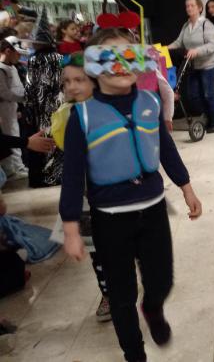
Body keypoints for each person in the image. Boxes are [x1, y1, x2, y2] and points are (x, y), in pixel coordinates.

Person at [60, 28, 203, 362]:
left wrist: (186, 187)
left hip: (153, 209)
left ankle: (152, 307)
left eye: (129, 55)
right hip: (110, 219)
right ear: (93, 67)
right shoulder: (81, 116)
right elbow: (72, 176)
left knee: (162, 279)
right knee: (121, 294)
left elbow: (166, 150)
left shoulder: (150, 102)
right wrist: (70, 228)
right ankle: (134, 354)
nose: (121, 65)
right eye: (109, 58)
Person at [51, 51, 112, 322]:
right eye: (67, 81)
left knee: (125, 243)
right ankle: (107, 293)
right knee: (95, 248)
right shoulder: (68, 113)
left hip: (113, 191)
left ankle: (131, 279)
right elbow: (69, 161)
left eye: (79, 80)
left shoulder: (109, 109)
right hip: (85, 193)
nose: (72, 87)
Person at [168, 0, 214, 134]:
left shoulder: (206, 25)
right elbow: (178, 42)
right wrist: (164, 48)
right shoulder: (186, 26)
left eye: (192, 5)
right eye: (187, 6)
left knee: (208, 94)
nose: (189, 8)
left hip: (209, 63)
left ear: (199, 8)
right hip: (194, 65)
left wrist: (196, 51)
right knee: (193, 96)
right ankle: (208, 117)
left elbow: (212, 46)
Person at [24, 12, 64, 188]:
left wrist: (28, 106)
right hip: (59, 103)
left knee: (43, 136)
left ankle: (45, 176)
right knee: (58, 136)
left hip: (41, 106)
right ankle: (58, 174)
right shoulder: (60, 58)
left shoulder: (33, 60)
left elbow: (30, 86)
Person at [0, 36, 29, 180]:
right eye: (17, 53)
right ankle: (11, 170)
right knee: (10, 136)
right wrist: (25, 97)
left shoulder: (12, 67)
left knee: (15, 134)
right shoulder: (1, 69)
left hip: (13, 108)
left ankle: (18, 166)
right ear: (7, 51)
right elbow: (4, 93)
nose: (19, 57)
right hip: (4, 109)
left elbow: (18, 88)